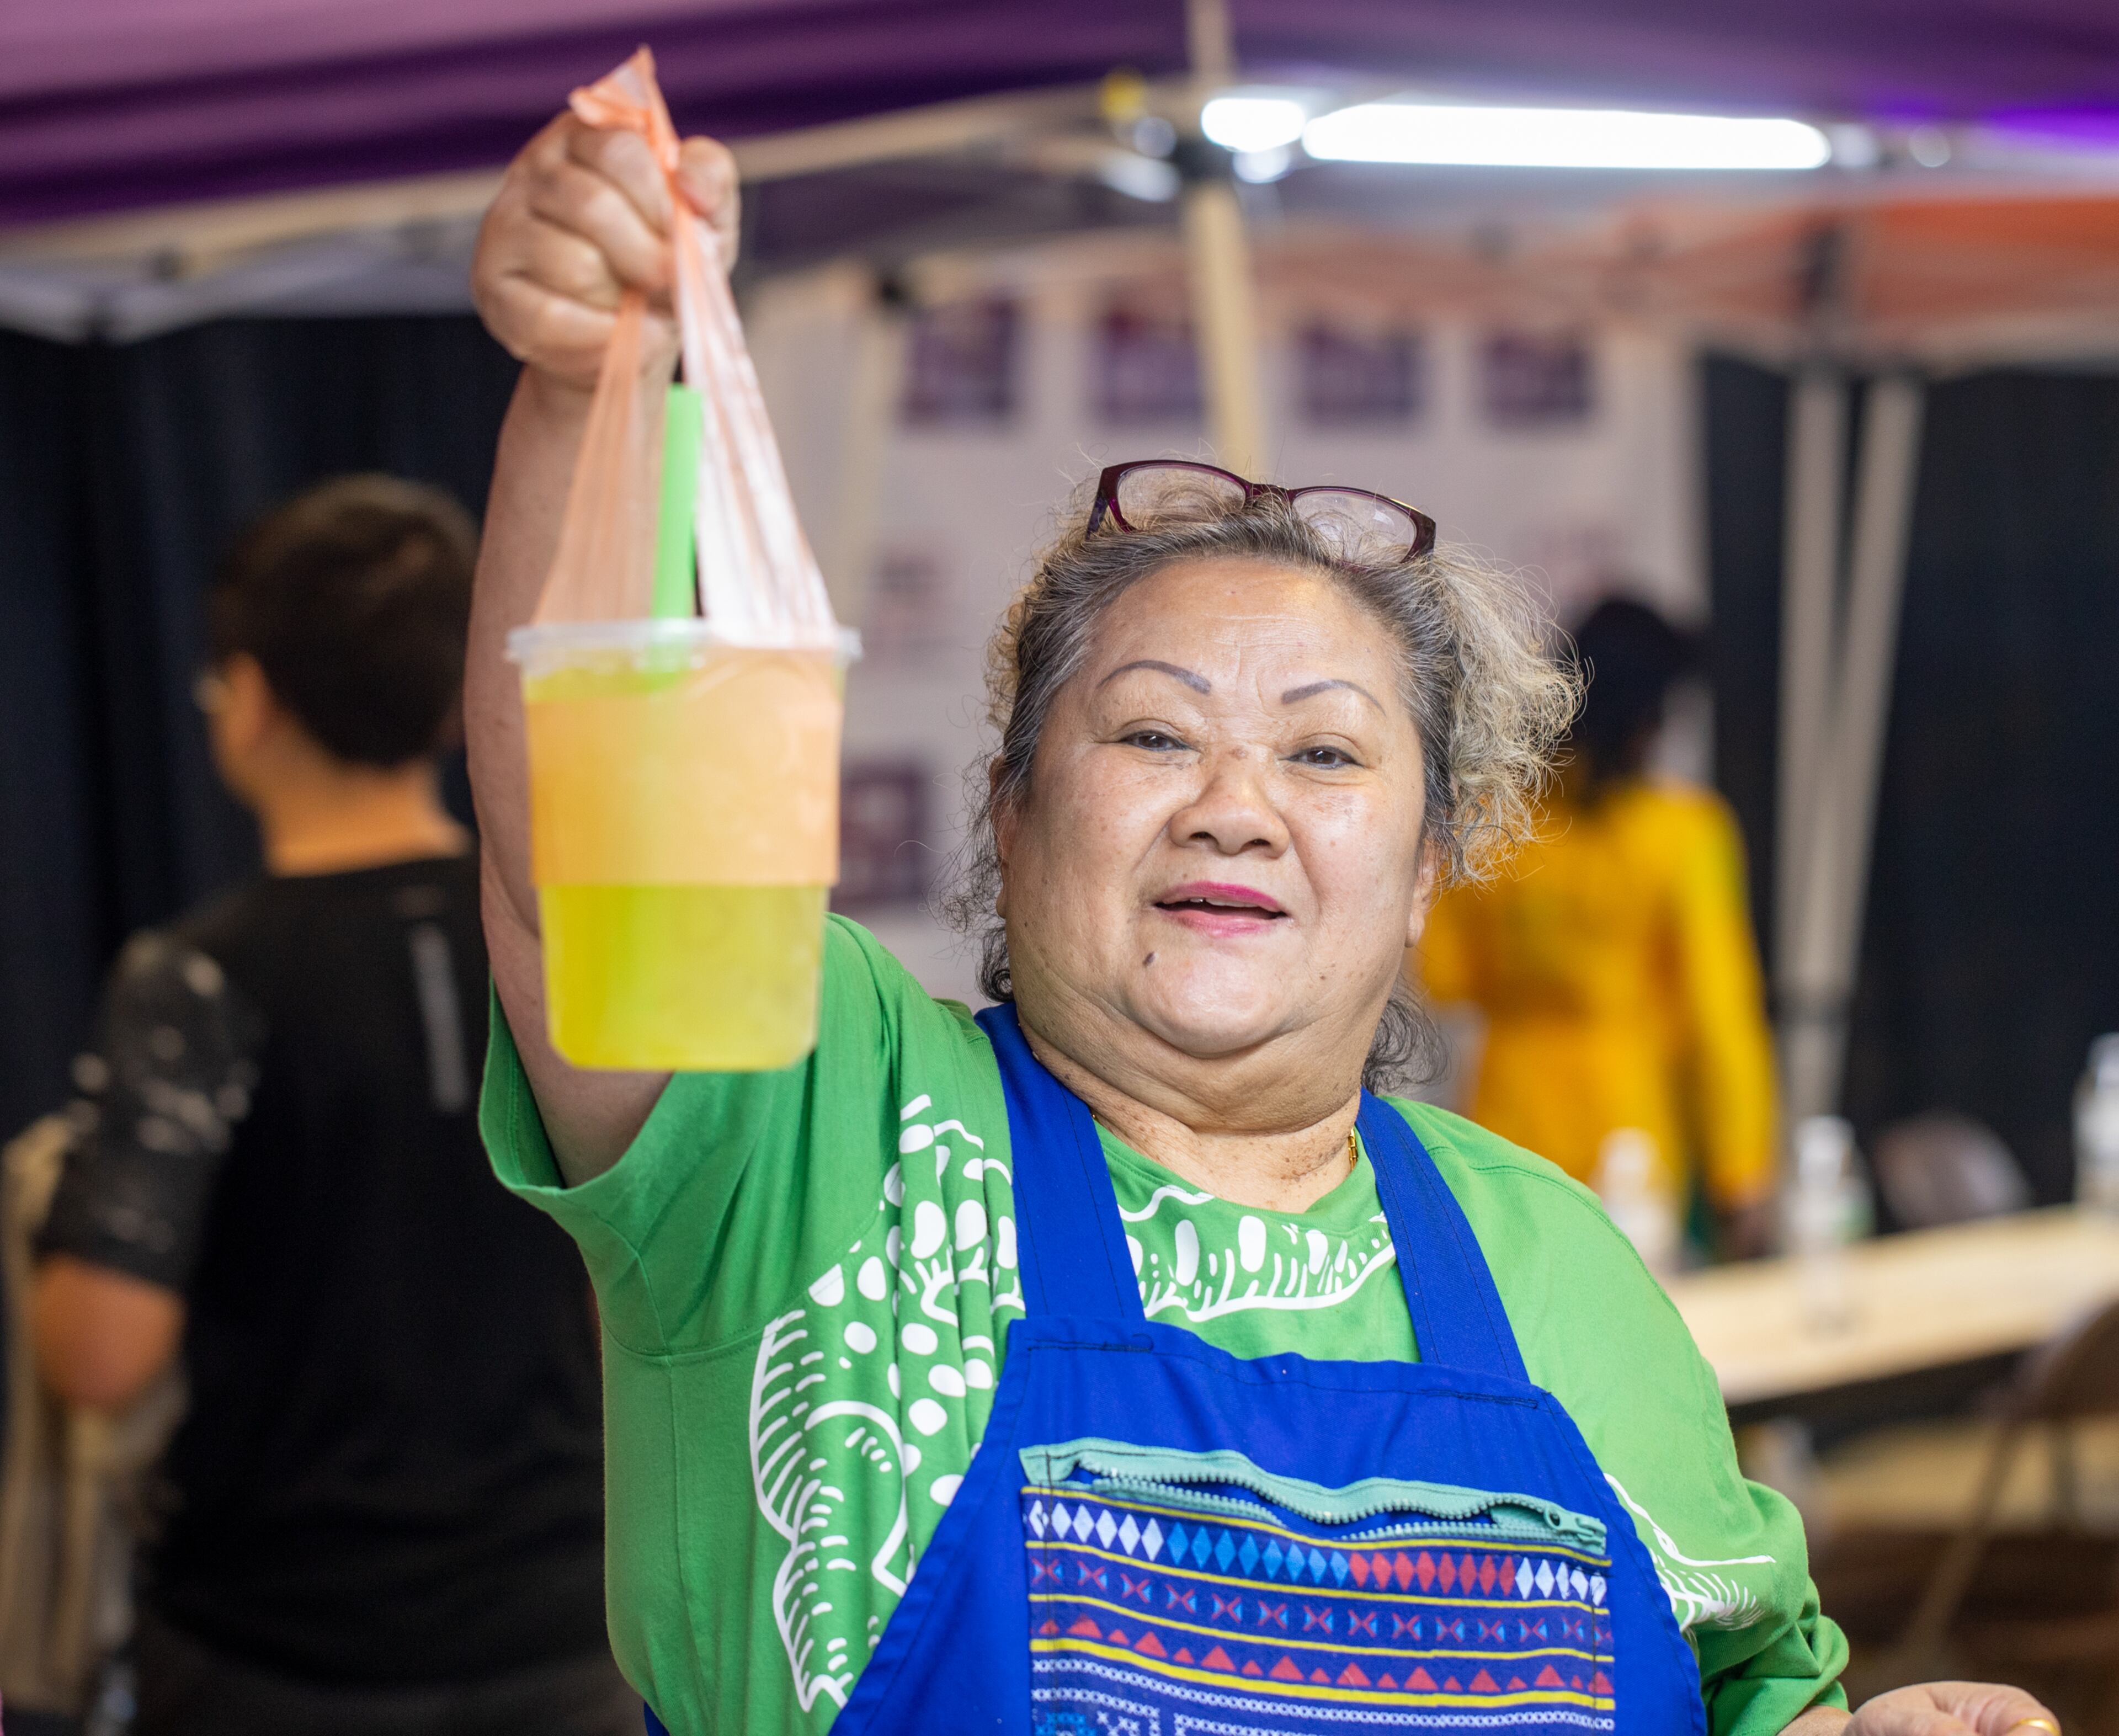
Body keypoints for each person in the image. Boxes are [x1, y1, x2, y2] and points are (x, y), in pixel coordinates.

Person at [460, 106, 2061, 1736]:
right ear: (1007, 812)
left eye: (1322, 752)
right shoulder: (812, 1133)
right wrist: (593, 389)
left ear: (1428, 862)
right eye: (1153, 734)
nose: (1236, 803)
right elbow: (578, 841)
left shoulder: (1553, 1258)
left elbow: (1746, 1698)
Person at [31, 477, 630, 1736]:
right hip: (568, 1619)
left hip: (279, 1643)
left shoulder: (199, 979)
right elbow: (627, 1276)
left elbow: (100, 1352)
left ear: (247, 697)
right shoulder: (563, 944)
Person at [1419, 598, 1779, 1259]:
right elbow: (1718, 1015)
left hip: (1503, 1122)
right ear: (1655, 716)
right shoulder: (1685, 833)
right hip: (1631, 1133)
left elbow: (1444, 974)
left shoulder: (1499, 821)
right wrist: (1743, 1172)